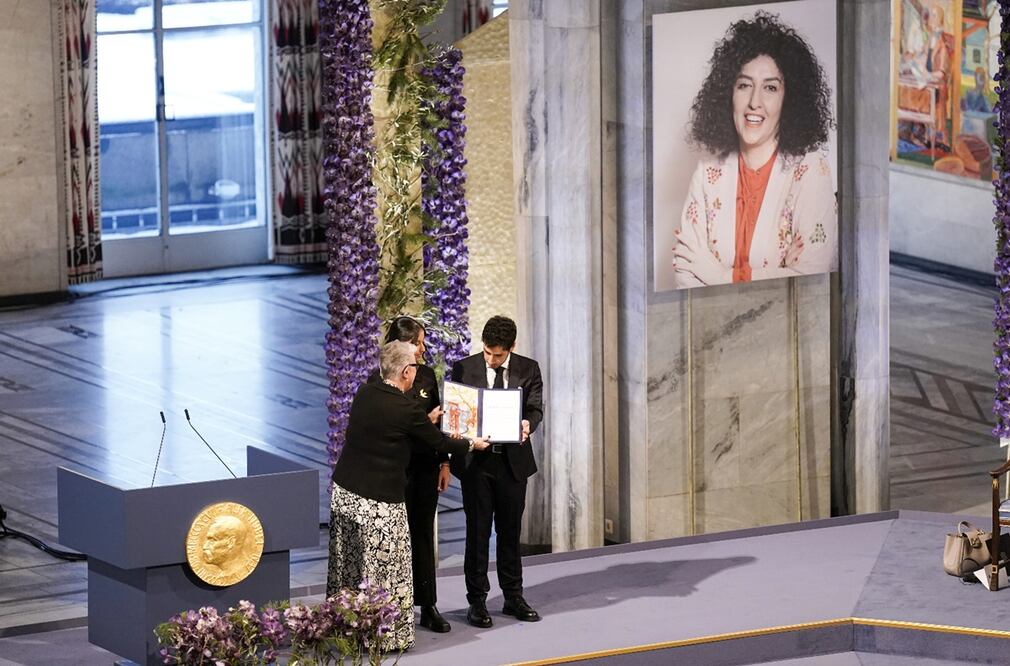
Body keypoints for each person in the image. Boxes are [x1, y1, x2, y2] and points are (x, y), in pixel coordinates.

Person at [327, 341, 489, 652]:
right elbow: (439, 441)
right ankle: (384, 636)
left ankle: (347, 627)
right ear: (405, 372)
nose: (417, 371)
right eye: (414, 365)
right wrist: (473, 444)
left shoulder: (365, 392)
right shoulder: (406, 408)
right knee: (388, 568)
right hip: (379, 501)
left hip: (346, 493)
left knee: (349, 564)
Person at [673, 11, 837, 288]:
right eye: (744, 85)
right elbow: (684, 273)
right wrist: (782, 271)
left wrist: (721, 275)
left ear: (789, 99)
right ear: (728, 93)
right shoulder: (707, 172)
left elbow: (812, 277)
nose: (754, 102)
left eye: (770, 88)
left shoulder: (811, 169)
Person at [450, 315, 544, 628]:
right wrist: (459, 433)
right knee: (477, 534)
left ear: (512, 347)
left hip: (512, 463)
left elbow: (535, 408)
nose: (491, 360)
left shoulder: (529, 369)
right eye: (488, 353)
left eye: (498, 355)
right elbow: (456, 413)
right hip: (477, 464)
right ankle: (477, 601)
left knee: (510, 533)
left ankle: (513, 596)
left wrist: (528, 424)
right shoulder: (464, 368)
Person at [366, 317, 453, 634]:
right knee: (392, 540)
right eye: (418, 343)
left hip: (425, 468)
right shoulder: (377, 381)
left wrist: (444, 463)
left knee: (423, 535)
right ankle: (391, 607)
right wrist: (423, 422)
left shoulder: (427, 375)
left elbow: (440, 423)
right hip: (394, 471)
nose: (423, 348)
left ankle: (428, 605)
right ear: (401, 345)